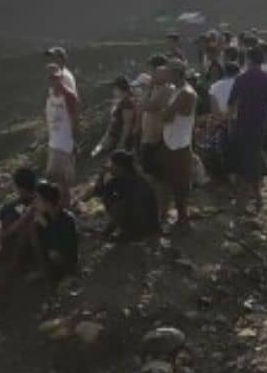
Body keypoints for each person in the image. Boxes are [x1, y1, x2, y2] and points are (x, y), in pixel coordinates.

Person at [228, 47, 267, 210]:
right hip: (260, 126)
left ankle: (244, 200)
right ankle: (256, 196)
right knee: (254, 158)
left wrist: (230, 124)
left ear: (249, 60)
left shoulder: (241, 79)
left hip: (242, 125)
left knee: (245, 162)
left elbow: (231, 105)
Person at [83, 150, 159, 240]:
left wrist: (105, 233)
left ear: (120, 166)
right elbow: (98, 192)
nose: (110, 167)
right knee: (109, 197)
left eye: (112, 164)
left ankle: (129, 233)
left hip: (141, 229)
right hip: (151, 227)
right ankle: (127, 231)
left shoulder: (129, 183)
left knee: (111, 199)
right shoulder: (127, 179)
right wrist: (101, 175)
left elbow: (122, 209)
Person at [160, 60, 197, 229]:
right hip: (173, 142)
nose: (166, 76)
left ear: (177, 73)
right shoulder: (177, 91)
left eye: (168, 72)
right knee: (173, 181)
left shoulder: (186, 93)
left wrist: (165, 112)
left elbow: (166, 116)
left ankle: (183, 219)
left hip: (179, 145)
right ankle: (178, 217)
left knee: (180, 183)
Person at [44, 64, 79, 208]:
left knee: (64, 182)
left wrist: (74, 140)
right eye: (50, 78)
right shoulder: (50, 94)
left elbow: (75, 119)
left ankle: (66, 208)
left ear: (61, 78)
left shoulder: (69, 96)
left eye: (56, 77)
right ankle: (56, 207)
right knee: (52, 179)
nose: (53, 81)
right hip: (53, 142)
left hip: (65, 144)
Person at [0, 168, 39, 267]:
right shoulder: (28, 195)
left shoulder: (38, 201)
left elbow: (20, 223)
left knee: (22, 228)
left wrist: (2, 235)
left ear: (22, 189)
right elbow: (10, 205)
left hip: (39, 239)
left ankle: (15, 263)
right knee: (9, 212)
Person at [31, 182, 78, 281]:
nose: (34, 202)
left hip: (65, 258)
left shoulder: (67, 219)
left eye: (37, 199)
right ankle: (44, 269)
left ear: (47, 203)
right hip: (50, 255)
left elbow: (62, 244)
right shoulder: (44, 215)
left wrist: (47, 226)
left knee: (54, 254)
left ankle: (64, 275)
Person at [138, 55, 172, 179]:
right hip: (148, 137)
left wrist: (147, 89)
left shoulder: (166, 89)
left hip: (156, 140)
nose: (150, 74)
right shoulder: (156, 89)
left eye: (152, 71)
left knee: (156, 175)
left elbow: (145, 106)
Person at [93, 76, 137, 156]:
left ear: (121, 89)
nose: (113, 90)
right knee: (94, 155)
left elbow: (127, 126)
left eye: (115, 88)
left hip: (116, 141)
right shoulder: (121, 101)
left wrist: (120, 146)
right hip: (110, 139)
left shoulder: (127, 103)